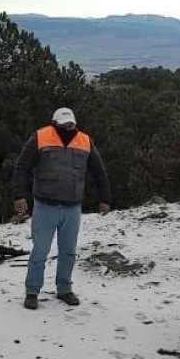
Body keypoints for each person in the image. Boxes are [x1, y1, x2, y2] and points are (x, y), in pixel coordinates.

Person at [12, 107, 111, 310]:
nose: (69, 128)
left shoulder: (85, 140)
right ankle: (32, 292)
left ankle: (64, 289)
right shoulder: (40, 137)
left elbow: (99, 171)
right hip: (45, 206)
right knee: (40, 251)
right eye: (65, 124)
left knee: (68, 252)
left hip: (73, 208)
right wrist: (18, 195)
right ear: (54, 123)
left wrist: (105, 199)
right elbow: (22, 166)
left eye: (71, 124)